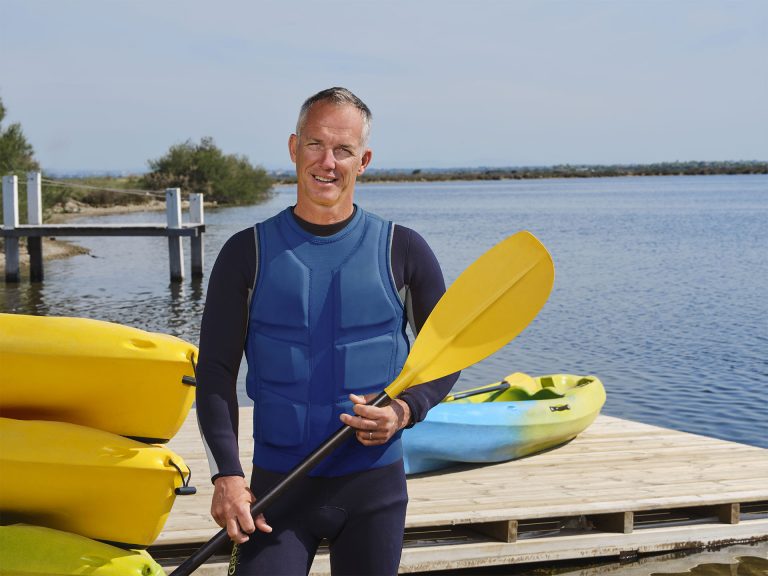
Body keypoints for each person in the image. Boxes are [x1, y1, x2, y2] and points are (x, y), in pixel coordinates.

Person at [196, 87, 458, 575]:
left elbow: (448, 355)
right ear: (294, 148)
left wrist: (404, 410)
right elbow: (214, 372)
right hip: (274, 493)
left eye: (344, 150)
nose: (328, 162)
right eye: (316, 144)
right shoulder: (244, 253)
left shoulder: (404, 250)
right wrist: (227, 475)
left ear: (364, 161)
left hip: (373, 492)